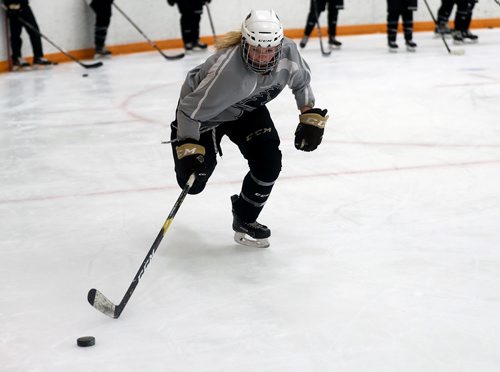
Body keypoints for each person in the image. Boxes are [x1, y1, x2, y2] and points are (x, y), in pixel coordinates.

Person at [169, 9, 329, 248]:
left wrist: (308, 114)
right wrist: (187, 146)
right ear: (245, 43)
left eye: (269, 50)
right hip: (206, 118)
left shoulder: (288, 50)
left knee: (269, 162)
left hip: (247, 110)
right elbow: (188, 111)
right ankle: (191, 170)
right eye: (256, 49)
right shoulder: (227, 72)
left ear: (278, 44)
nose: (262, 57)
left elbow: (301, 81)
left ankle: (245, 218)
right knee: (194, 183)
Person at [2, 0, 54, 69]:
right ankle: (17, 59)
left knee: (35, 32)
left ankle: (38, 57)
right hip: (12, 9)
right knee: (16, 34)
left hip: (24, 7)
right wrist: (7, 7)